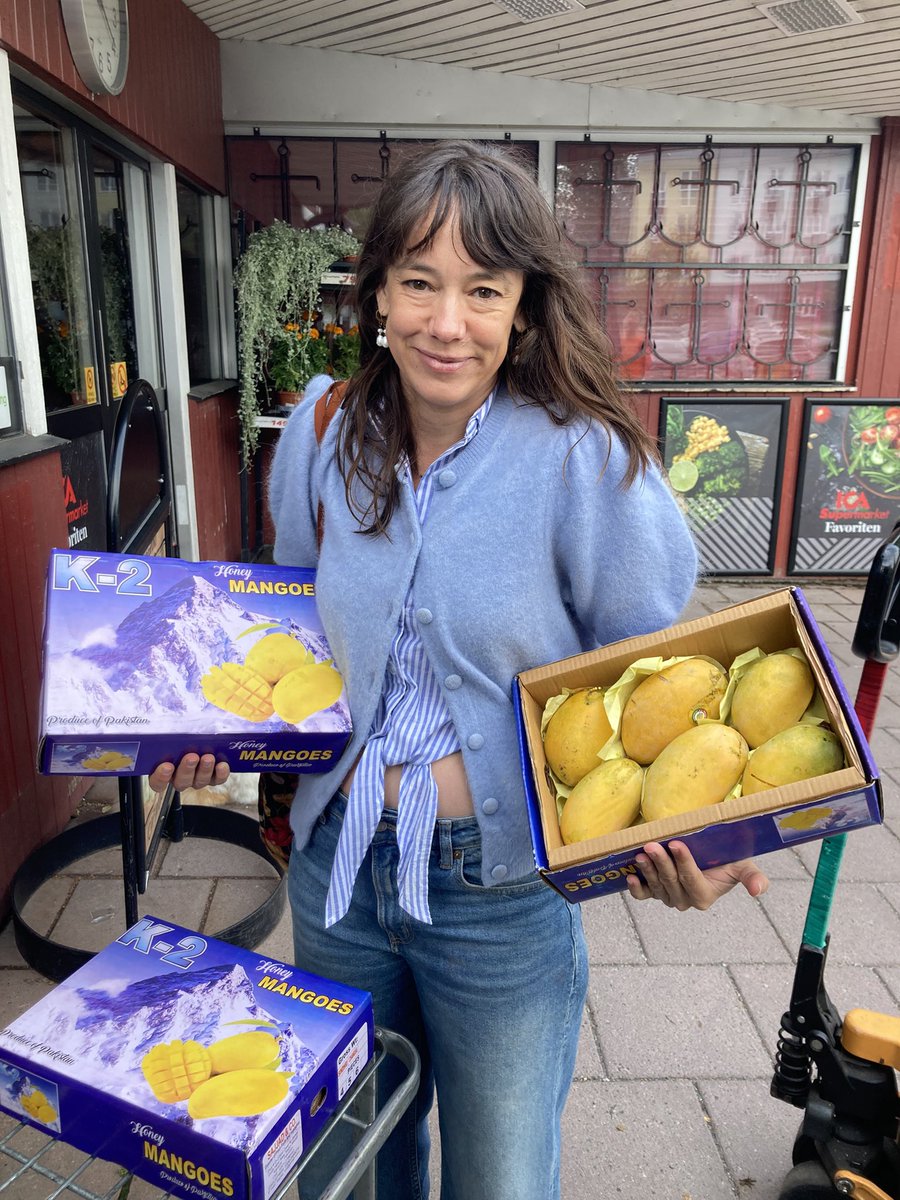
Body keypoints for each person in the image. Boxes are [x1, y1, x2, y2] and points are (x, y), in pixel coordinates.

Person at [151, 140, 768, 1200]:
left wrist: (705, 844)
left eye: (483, 289)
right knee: (344, 1163)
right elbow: (289, 639)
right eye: (421, 283)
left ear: (523, 306)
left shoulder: (585, 458)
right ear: (379, 289)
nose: (448, 321)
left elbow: (678, 686)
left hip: (502, 889)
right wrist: (205, 730)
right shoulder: (321, 430)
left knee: (500, 1178)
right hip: (339, 873)